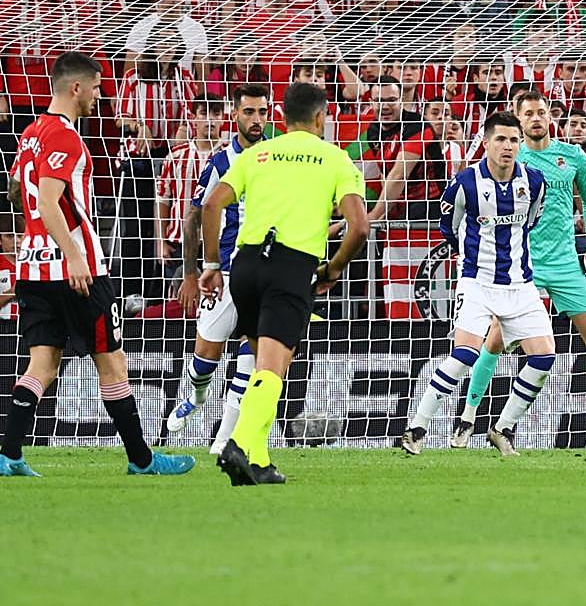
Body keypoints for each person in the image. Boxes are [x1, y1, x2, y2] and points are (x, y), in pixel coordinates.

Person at [0, 52, 195, 478]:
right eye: (94, 86)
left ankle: (9, 453)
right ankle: (142, 460)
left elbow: (19, 192)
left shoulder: (30, 133)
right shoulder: (65, 136)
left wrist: (38, 237)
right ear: (75, 88)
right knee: (112, 363)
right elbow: (49, 202)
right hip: (76, 270)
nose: (99, 94)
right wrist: (73, 254)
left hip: (33, 268)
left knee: (42, 364)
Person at [203, 82, 368, 486]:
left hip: (243, 268)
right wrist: (334, 268)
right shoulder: (336, 158)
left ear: (280, 117)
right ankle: (238, 443)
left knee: (265, 365)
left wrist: (210, 263)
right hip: (290, 266)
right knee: (274, 370)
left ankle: (256, 461)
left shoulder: (257, 154)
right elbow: (359, 226)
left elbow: (210, 205)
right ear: (320, 117)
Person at [451, 91, 586, 449]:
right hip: (522, 266)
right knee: (495, 341)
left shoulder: (572, 155)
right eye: (528, 113)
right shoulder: (511, 157)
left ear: (549, 117)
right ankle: (467, 419)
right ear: (517, 118)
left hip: (564, 264)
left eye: (541, 112)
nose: (536, 119)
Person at [400, 111, 555, 457]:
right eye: (500, 139)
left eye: (514, 140)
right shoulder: (465, 183)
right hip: (477, 282)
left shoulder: (534, 182)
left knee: (544, 356)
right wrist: (472, 258)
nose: (508, 146)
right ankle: (417, 427)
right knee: (465, 353)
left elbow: (529, 224)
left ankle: (502, 428)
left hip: (520, 284)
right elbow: (448, 229)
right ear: (485, 142)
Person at [166, 84, 271, 454]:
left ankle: (224, 439)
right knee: (204, 361)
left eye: (262, 112)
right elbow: (193, 217)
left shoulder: (276, 159)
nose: (256, 120)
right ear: (235, 114)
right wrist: (193, 272)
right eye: (249, 113)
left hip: (262, 271)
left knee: (253, 354)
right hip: (222, 273)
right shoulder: (221, 163)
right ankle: (196, 396)